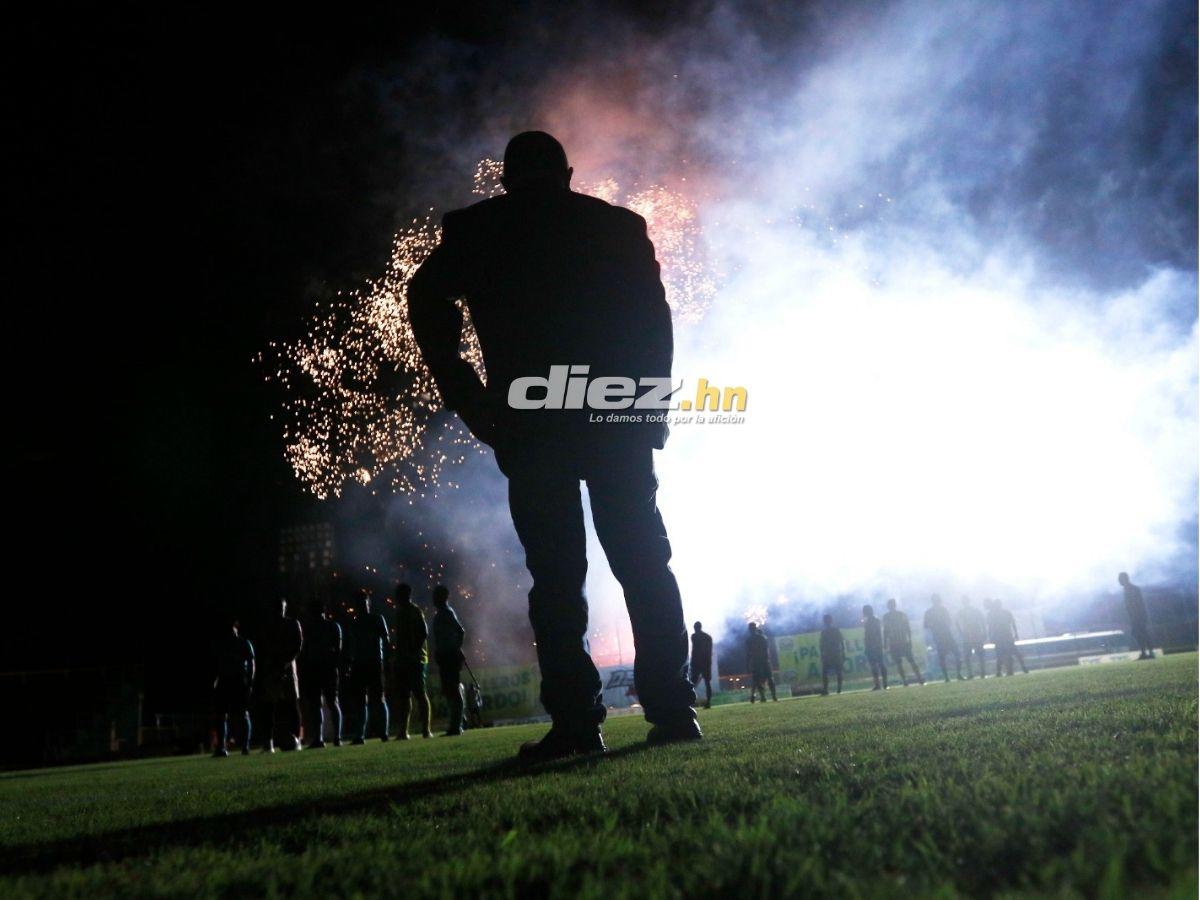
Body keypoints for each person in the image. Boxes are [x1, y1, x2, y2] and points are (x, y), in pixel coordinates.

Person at [409, 131, 697, 761]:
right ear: (568, 174)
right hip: (613, 419)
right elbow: (655, 323)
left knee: (558, 580)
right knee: (644, 565)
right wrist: (649, 407)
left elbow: (423, 303)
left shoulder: (477, 230)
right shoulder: (617, 228)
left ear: (507, 178)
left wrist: (473, 399)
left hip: (533, 427)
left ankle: (576, 721)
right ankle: (672, 709)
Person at [259, 597, 304, 752]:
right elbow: (264, 646)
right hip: (272, 669)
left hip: (287, 669)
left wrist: (285, 663)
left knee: (292, 704)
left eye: (282, 607)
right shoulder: (268, 626)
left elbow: (298, 646)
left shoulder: (292, 623)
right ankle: (268, 741)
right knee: (269, 706)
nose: (280, 610)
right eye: (277, 607)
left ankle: (296, 738)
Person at [391, 582, 433, 739]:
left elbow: (424, 632)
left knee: (420, 694)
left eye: (398, 595)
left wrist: (414, 650)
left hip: (417, 660)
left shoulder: (415, 611)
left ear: (404, 595)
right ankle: (403, 731)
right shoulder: (400, 612)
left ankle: (426, 730)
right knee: (404, 696)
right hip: (403, 660)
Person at [349, 590, 391, 744]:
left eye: (363, 603)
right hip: (364, 663)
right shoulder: (359, 621)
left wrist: (386, 661)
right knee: (364, 700)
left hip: (373, 662)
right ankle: (366, 734)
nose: (362, 606)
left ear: (368, 604)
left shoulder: (374, 619)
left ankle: (379, 732)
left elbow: (385, 640)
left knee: (377, 698)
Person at [301, 600, 343, 748]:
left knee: (323, 704)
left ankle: (325, 737)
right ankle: (331, 737)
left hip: (323, 668)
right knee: (326, 703)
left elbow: (337, 649)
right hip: (322, 668)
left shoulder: (315, 628)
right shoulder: (330, 626)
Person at [212, 619, 254, 757]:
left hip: (239, 681)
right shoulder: (222, 645)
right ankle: (221, 748)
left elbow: (252, 663)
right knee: (221, 715)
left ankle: (246, 745)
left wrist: (249, 681)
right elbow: (217, 664)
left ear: (236, 627)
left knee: (242, 714)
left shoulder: (244, 643)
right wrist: (216, 680)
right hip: (225, 681)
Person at [432, 585, 467, 736]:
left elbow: (460, 630)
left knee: (452, 689)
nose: (433, 599)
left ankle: (457, 726)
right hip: (445, 655)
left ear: (442, 597)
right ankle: (457, 722)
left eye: (436, 596)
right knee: (450, 689)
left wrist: (455, 649)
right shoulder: (442, 613)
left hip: (449, 656)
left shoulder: (446, 612)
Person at [881, 599, 924, 687]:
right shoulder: (898, 615)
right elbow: (887, 630)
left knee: (902, 662)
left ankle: (909, 680)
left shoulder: (890, 616)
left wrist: (885, 643)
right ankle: (917, 679)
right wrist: (909, 640)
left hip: (898, 642)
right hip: (900, 641)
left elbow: (887, 631)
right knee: (907, 661)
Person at [923, 594, 963, 683]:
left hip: (944, 636)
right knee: (945, 656)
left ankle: (953, 675)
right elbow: (926, 625)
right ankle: (950, 676)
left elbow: (948, 621)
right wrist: (935, 625)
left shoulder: (939, 610)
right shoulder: (932, 612)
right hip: (941, 636)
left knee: (955, 654)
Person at [986, 599, 1028, 676]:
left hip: (1003, 636)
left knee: (1003, 654)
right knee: (1007, 653)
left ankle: (1002, 671)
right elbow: (990, 626)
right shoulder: (1001, 613)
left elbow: (990, 627)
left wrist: (1015, 633)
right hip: (1002, 636)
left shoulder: (995, 614)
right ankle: (1020, 668)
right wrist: (1016, 633)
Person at [1118, 572, 1155, 659]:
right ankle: (1146, 652)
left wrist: (1137, 615)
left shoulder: (1133, 589)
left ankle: (1148, 652)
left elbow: (1139, 603)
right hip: (1135, 615)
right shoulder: (1128, 589)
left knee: (1141, 633)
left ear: (1125, 579)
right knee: (1139, 633)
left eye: (1120, 579)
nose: (1119, 581)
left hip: (1138, 615)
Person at [957, 597, 987, 679]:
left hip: (972, 635)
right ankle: (980, 673)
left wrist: (961, 632)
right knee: (973, 655)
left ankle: (976, 673)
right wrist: (984, 632)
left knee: (974, 655)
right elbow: (982, 621)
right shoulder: (972, 611)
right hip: (972, 635)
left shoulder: (969, 611)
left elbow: (982, 621)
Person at [745, 622, 776, 703]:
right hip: (765, 660)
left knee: (757, 679)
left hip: (755, 661)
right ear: (756, 628)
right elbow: (767, 650)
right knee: (769, 677)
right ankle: (774, 696)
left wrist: (748, 663)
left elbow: (748, 653)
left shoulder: (749, 640)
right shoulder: (763, 637)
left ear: (749, 629)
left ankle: (762, 697)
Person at [861, 605, 889, 690]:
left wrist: (868, 645)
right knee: (881, 664)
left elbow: (870, 635)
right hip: (877, 645)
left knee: (875, 665)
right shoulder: (876, 620)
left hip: (872, 646)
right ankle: (884, 683)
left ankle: (878, 684)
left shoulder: (870, 621)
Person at [818, 614, 846, 695]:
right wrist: (843, 652)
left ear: (824, 621)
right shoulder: (835, 630)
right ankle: (839, 688)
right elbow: (842, 641)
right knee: (838, 671)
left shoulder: (824, 632)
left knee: (825, 672)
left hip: (829, 654)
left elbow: (821, 645)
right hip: (836, 653)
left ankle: (826, 689)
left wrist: (822, 654)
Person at [690, 622, 714, 709]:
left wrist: (692, 662)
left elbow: (694, 651)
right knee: (707, 683)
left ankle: (689, 701)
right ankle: (708, 702)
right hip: (705, 662)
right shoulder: (707, 637)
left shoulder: (694, 637)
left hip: (697, 662)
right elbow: (709, 652)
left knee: (693, 683)